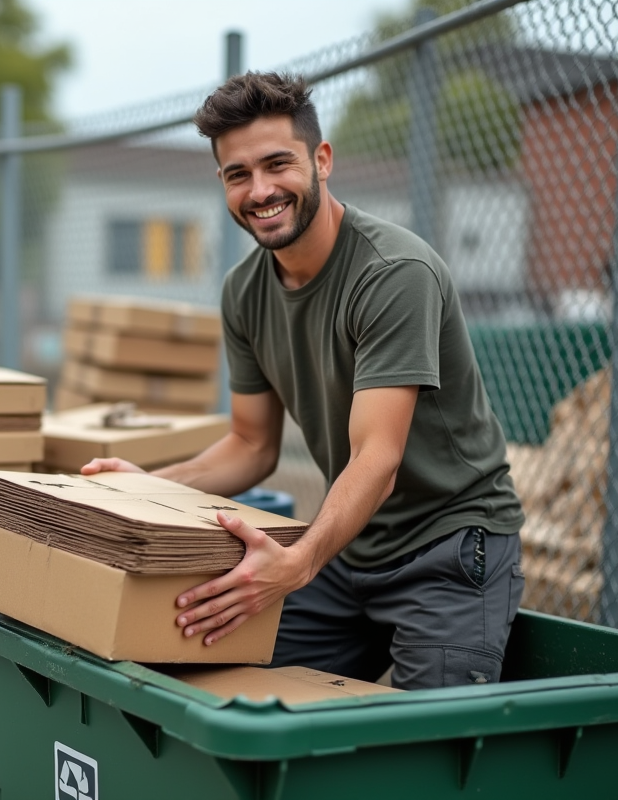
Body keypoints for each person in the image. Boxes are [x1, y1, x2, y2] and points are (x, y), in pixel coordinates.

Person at [80, 71, 525, 690]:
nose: (260, 190)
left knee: (428, 749)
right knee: (213, 675)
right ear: (222, 184)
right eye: (239, 174)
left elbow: (377, 458)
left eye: (277, 165)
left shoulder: (393, 273)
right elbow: (252, 446)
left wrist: (296, 564)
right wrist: (152, 488)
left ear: (321, 160)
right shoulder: (243, 292)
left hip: (448, 547)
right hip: (352, 550)